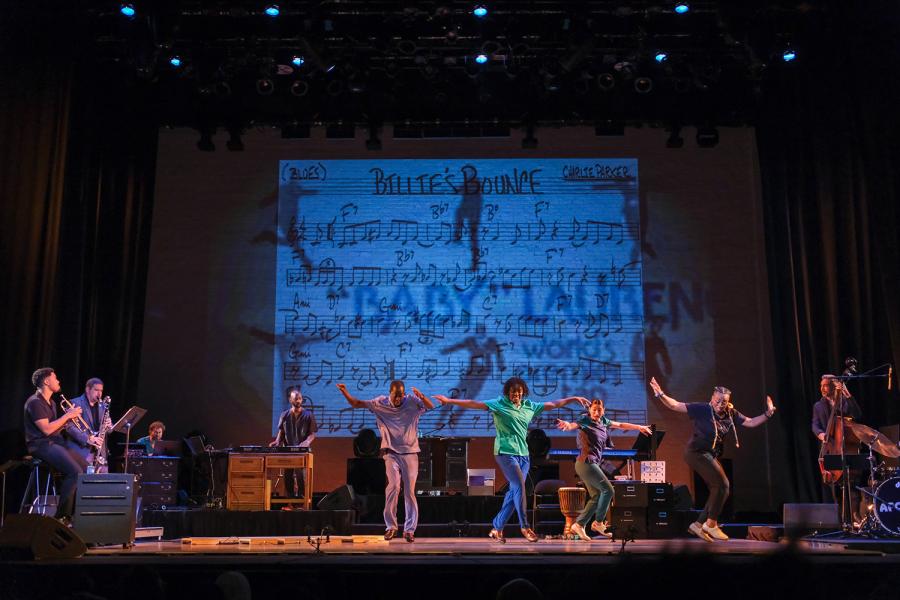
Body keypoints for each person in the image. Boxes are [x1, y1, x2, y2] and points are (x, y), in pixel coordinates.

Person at [434, 377, 588, 542]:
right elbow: (474, 403)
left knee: (513, 492)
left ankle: (497, 528)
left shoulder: (529, 406)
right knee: (520, 486)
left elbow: (553, 404)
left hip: (524, 455)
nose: (517, 395)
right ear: (508, 392)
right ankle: (525, 527)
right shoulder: (499, 404)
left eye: (519, 392)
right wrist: (449, 400)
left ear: (523, 393)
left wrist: (573, 398)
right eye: (514, 392)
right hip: (505, 452)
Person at [649, 376, 776, 542]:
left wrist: (768, 414)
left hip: (709, 454)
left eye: (723, 401)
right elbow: (675, 405)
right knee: (723, 484)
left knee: (721, 489)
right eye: (717, 400)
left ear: (728, 402)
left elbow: (750, 422)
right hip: (695, 452)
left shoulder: (730, 414)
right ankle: (710, 524)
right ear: (712, 398)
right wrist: (660, 394)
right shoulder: (702, 409)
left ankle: (702, 523)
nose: (720, 404)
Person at [336, 380, 434, 542]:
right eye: (396, 396)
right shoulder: (380, 403)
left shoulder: (411, 401)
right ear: (390, 393)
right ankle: (391, 527)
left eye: (401, 397)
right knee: (393, 487)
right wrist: (344, 391)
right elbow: (356, 403)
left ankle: (409, 530)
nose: (398, 400)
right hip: (391, 453)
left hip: (410, 453)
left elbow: (430, 407)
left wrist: (422, 397)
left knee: (409, 492)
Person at [555, 398, 653, 541]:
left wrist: (639, 427)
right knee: (609, 490)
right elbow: (573, 425)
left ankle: (579, 524)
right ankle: (598, 523)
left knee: (596, 496)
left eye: (599, 410)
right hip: (585, 462)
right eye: (594, 409)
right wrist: (567, 425)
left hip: (589, 463)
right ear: (589, 410)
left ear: (603, 411)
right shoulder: (585, 421)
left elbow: (620, 424)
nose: (596, 412)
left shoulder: (603, 421)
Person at [22, 368, 90, 521]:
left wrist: (67, 422)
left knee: (86, 469)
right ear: (46, 381)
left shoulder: (51, 403)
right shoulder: (35, 402)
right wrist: (67, 415)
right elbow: (46, 430)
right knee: (75, 472)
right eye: (55, 378)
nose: (58, 381)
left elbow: (54, 428)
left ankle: (76, 515)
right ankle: (61, 517)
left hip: (54, 442)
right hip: (40, 445)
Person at [811, 374, 863, 525]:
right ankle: (839, 522)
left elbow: (857, 414)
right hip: (830, 448)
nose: (822, 388)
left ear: (834, 386)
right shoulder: (818, 406)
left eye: (825, 385)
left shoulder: (844, 402)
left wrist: (847, 393)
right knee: (834, 487)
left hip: (846, 448)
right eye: (821, 385)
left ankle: (854, 518)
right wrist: (821, 435)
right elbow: (814, 425)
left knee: (851, 486)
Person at [270, 386, 318, 500]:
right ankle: (290, 500)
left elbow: (312, 434)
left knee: (301, 474)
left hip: (302, 451)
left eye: (300, 398)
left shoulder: (308, 415)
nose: (298, 401)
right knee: (288, 475)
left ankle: (302, 500)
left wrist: (307, 442)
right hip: (288, 450)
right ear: (290, 400)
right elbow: (281, 432)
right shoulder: (284, 415)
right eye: (296, 399)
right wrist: (277, 441)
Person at [66, 377, 110, 470]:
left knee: (103, 482)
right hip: (83, 451)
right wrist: (88, 438)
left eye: (101, 391)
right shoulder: (75, 402)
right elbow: (69, 427)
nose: (99, 394)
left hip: (100, 453)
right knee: (85, 481)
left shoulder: (102, 406)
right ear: (87, 389)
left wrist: (109, 426)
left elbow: (109, 431)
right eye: (96, 390)